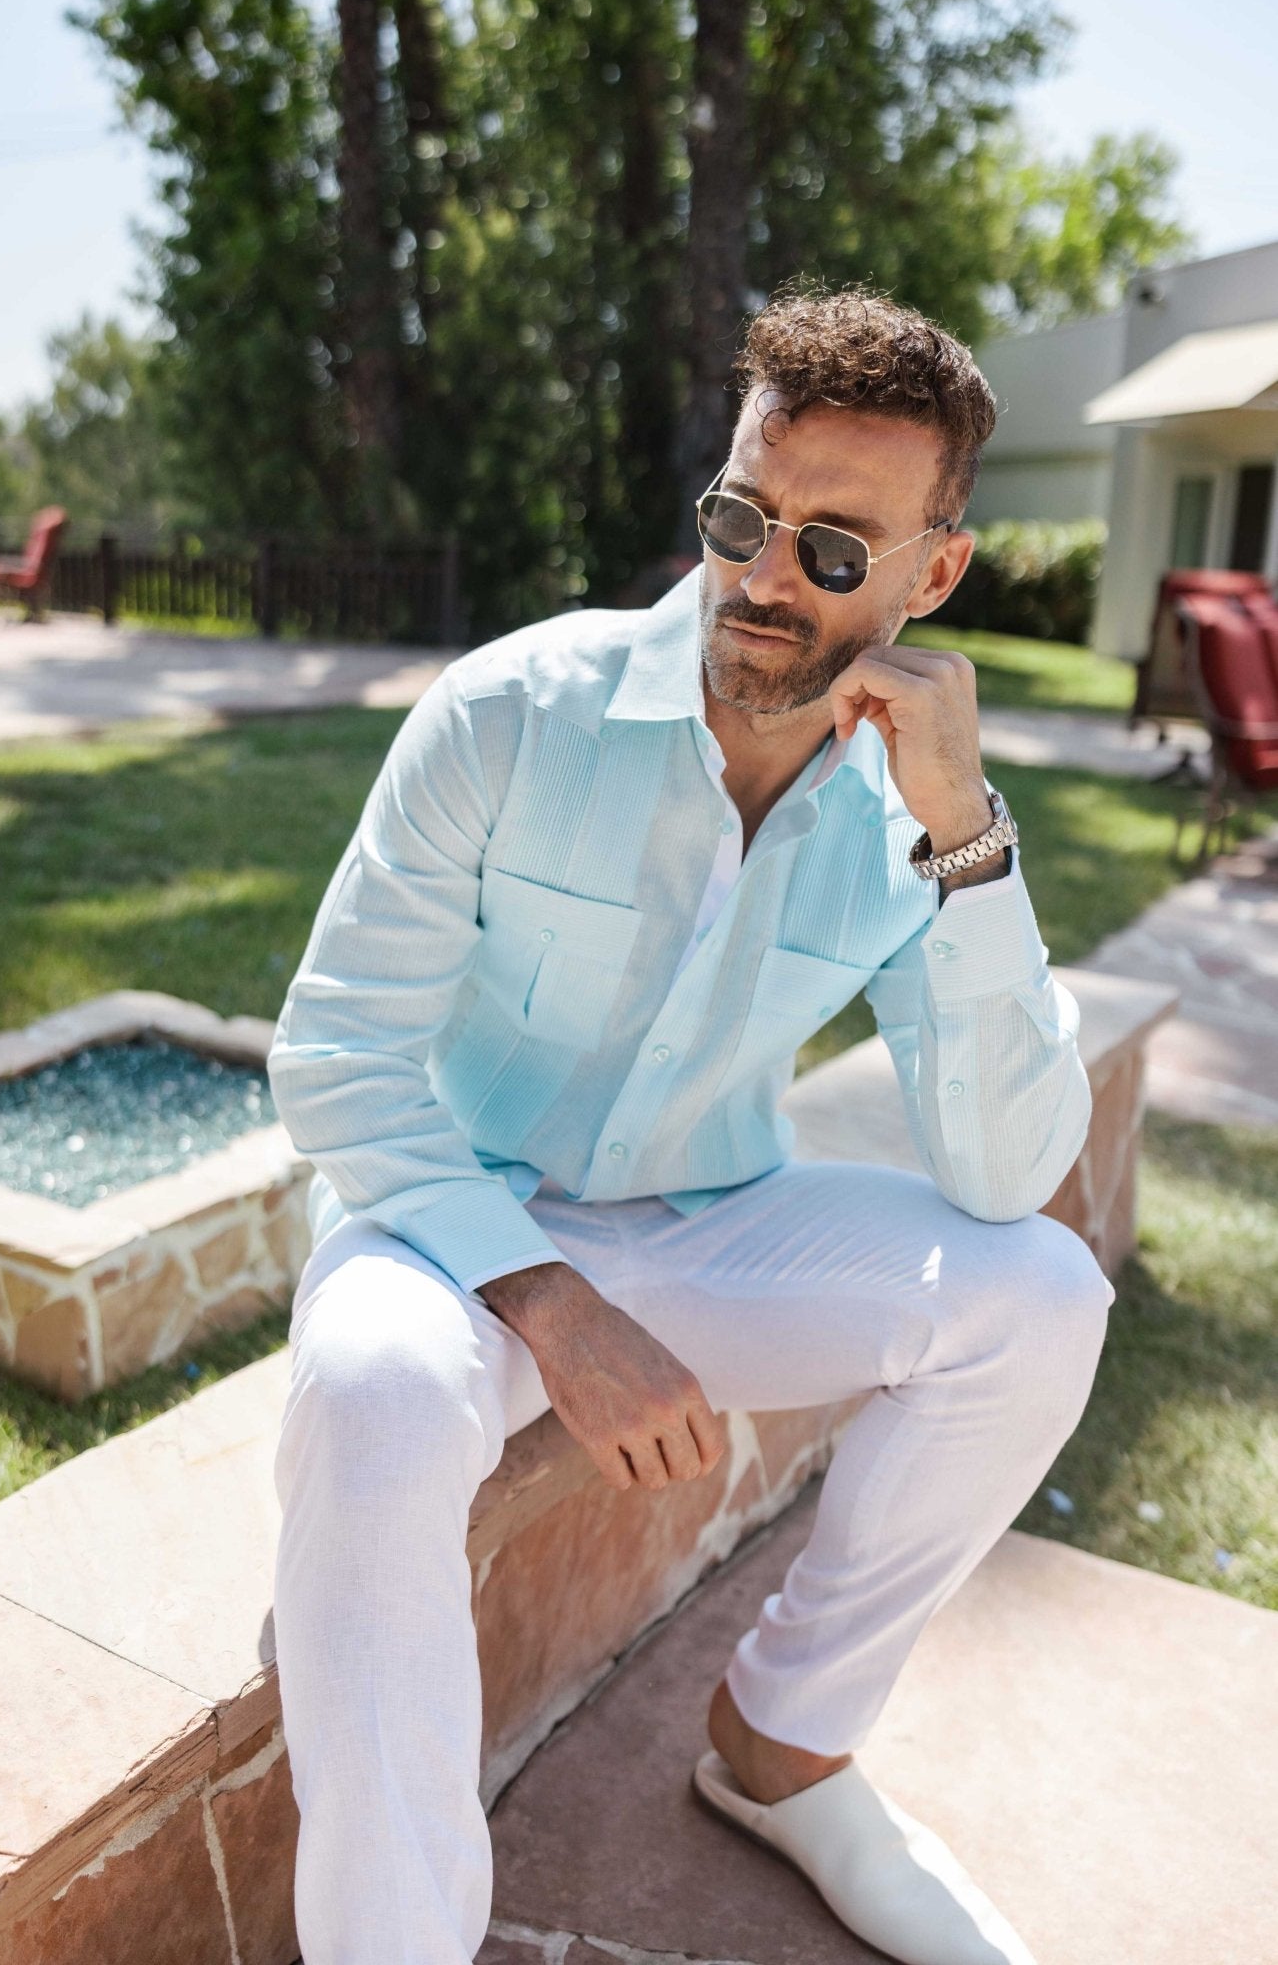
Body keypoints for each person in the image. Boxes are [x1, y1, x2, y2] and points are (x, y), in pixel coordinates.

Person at [268, 284, 1115, 1965]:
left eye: (833, 550)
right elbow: (339, 1056)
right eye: (742, 515)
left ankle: (782, 1753)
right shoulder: (512, 712)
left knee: (1037, 1301)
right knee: (366, 1394)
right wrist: (548, 1303)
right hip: (450, 1229)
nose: (761, 575)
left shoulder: (915, 805)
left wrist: (959, 830)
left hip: (707, 1219)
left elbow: (1009, 1174)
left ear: (933, 574)